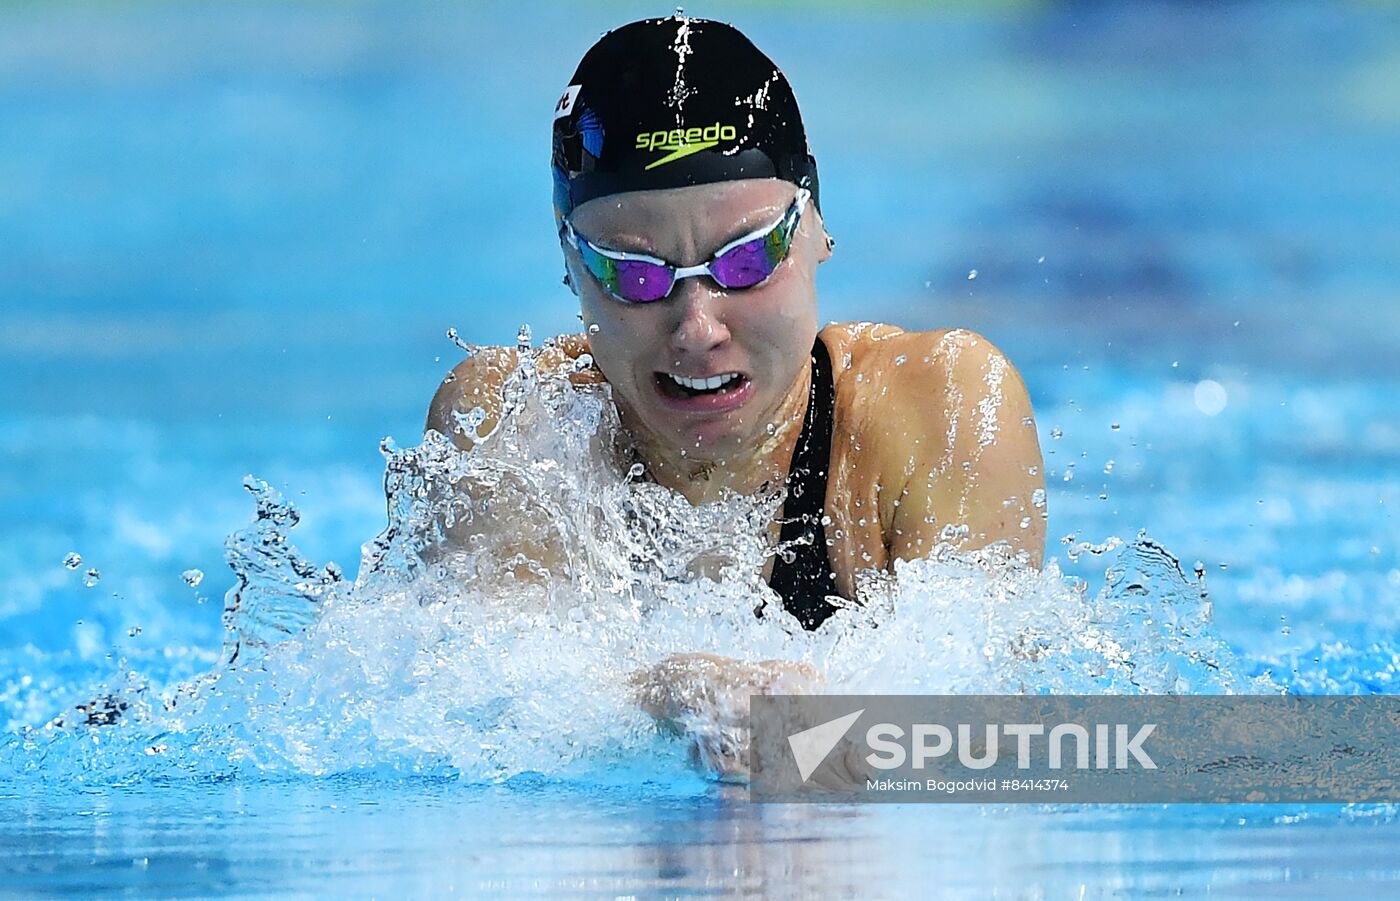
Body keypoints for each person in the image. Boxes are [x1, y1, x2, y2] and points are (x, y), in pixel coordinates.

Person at [426, 16, 1046, 776]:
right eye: (633, 272)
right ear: (569, 262)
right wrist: (663, 692)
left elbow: (988, 746)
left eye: (749, 258)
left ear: (816, 225)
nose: (697, 327)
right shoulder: (518, 427)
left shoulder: (938, 410)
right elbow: (473, 714)